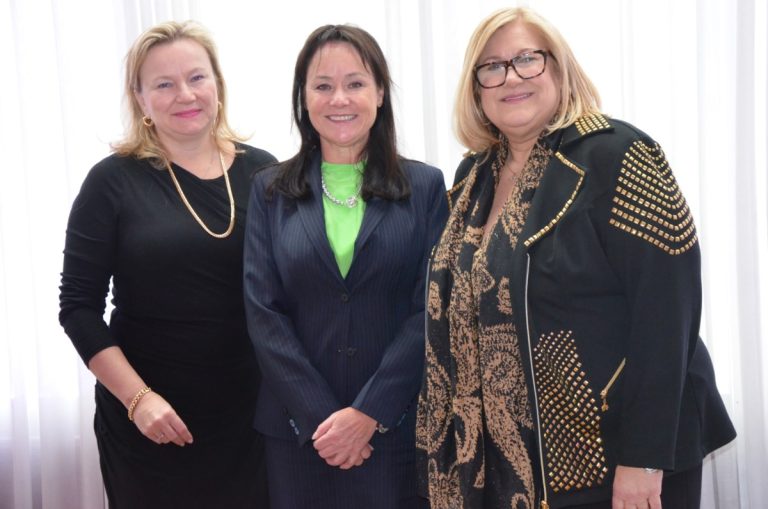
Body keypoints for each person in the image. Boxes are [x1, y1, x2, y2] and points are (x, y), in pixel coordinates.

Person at [416, 7, 736, 509]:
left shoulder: (618, 153)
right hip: (509, 465)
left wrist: (644, 458)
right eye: (492, 67)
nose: (511, 77)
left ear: (560, 69)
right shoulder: (471, 178)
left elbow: (667, 314)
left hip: (615, 455)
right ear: (476, 89)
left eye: (528, 59)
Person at [58, 20, 276, 508]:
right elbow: (78, 308)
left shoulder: (263, 172)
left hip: (249, 420)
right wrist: (138, 400)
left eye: (197, 77)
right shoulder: (111, 182)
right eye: (163, 84)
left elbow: (289, 292)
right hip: (150, 422)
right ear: (140, 99)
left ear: (217, 84)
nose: (185, 94)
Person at [243, 24, 448, 509]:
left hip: (395, 429)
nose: (339, 99)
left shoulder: (425, 187)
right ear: (304, 98)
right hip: (298, 434)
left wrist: (368, 413)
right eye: (323, 85)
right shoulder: (269, 190)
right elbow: (263, 312)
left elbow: (431, 309)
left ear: (380, 93)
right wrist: (322, 418)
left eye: (355, 83)